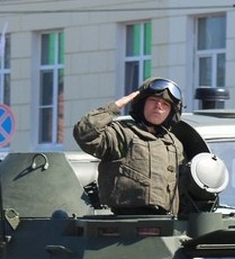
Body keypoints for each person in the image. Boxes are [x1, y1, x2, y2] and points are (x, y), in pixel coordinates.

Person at [73, 77, 185, 215]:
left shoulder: (174, 145)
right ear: (142, 103)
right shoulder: (122, 133)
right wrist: (114, 107)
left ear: (171, 112)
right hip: (125, 221)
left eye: (165, 104)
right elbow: (84, 134)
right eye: (153, 100)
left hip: (165, 221)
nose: (159, 106)